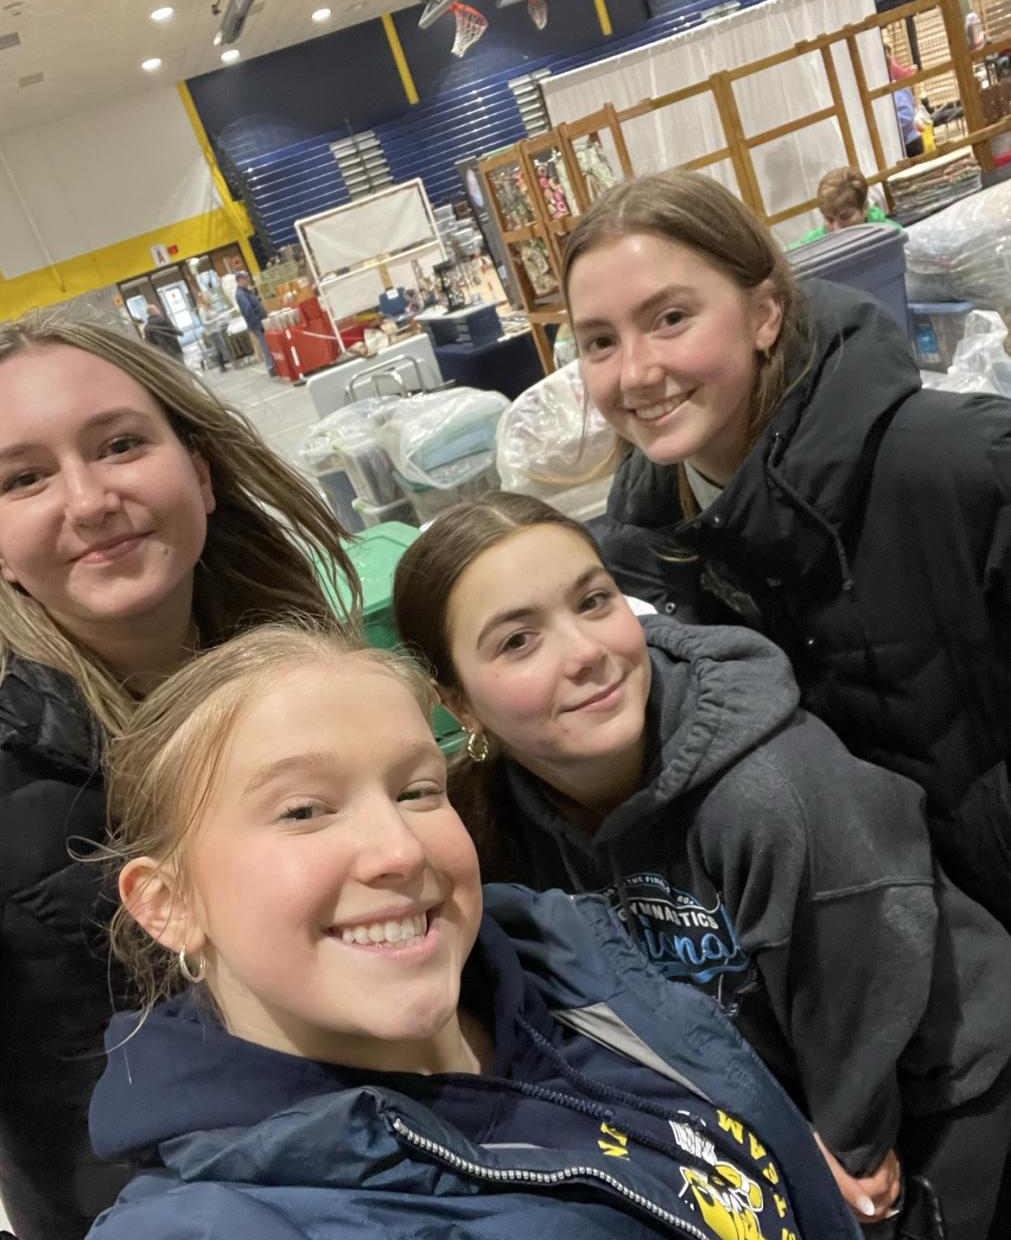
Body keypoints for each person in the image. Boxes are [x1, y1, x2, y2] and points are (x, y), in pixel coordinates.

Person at [86, 622, 859, 1240]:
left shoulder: (573, 971)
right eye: (304, 810)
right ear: (168, 904)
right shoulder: (216, 1222)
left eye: (418, 791)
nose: (399, 851)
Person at [393, 491, 1011, 1240]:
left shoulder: (771, 795)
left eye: (593, 601)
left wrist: (836, 1146)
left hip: (935, 1094)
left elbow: (869, 1000)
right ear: (457, 703)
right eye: (518, 641)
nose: (585, 652)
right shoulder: (490, 821)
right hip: (762, 1094)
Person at [557, 170, 1011, 937]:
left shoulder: (963, 468)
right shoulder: (640, 562)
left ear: (763, 314)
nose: (635, 373)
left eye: (670, 318)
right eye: (599, 341)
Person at [0, 312, 360, 1240]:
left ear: (199, 472)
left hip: (384, 1171)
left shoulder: (312, 672)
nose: (89, 501)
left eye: (120, 444)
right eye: (24, 478)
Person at [793, 167, 902, 245]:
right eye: (829, 219)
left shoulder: (893, 235)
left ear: (864, 208)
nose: (836, 229)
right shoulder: (815, 243)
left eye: (845, 217)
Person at [234, 271, 277, 377]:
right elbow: (248, 310)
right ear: (239, 281)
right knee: (265, 345)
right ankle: (271, 367)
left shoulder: (246, 291)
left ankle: (273, 366)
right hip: (257, 324)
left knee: (266, 344)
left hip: (259, 322)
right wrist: (259, 321)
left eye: (247, 278)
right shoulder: (241, 294)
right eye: (245, 279)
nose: (247, 280)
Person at [196, 289, 233, 371]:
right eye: (207, 298)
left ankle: (222, 366)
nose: (209, 299)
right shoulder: (202, 310)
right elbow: (205, 322)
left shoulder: (210, 307)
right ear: (203, 300)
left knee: (218, 348)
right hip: (212, 332)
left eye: (209, 297)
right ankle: (232, 361)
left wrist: (222, 317)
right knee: (222, 346)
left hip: (217, 328)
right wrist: (216, 320)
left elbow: (216, 315)